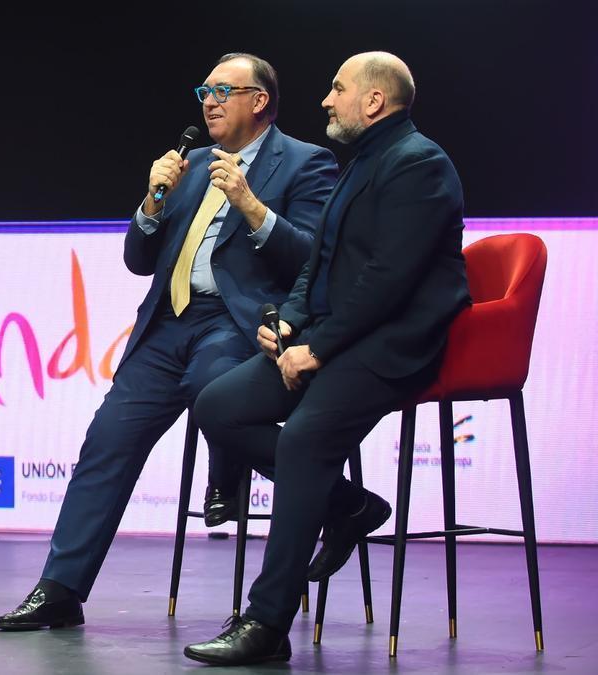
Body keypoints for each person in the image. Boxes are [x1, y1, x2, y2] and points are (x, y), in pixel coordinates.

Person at [0, 53, 338, 631]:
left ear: (259, 100)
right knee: (106, 441)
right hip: (166, 325)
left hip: (236, 323)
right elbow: (137, 260)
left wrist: (251, 207)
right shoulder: (190, 163)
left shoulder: (305, 163)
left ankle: (244, 482)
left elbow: (313, 260)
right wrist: (152, 201)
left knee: (216, 393)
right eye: (204, 89)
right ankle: (60, 588)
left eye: (223, 90)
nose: (208, 99)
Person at [181, 51, 471, 666]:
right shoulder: (361, 161)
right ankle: (346, 505)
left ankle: (266, 623)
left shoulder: (419, 163)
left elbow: (389, 280)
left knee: (304, 442)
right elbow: (321, 262)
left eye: (337, 89)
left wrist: (318, 347)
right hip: (336, 333)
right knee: (218, 407)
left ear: (373, 100)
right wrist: (289, 320)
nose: (325, 101)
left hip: (391, 344)